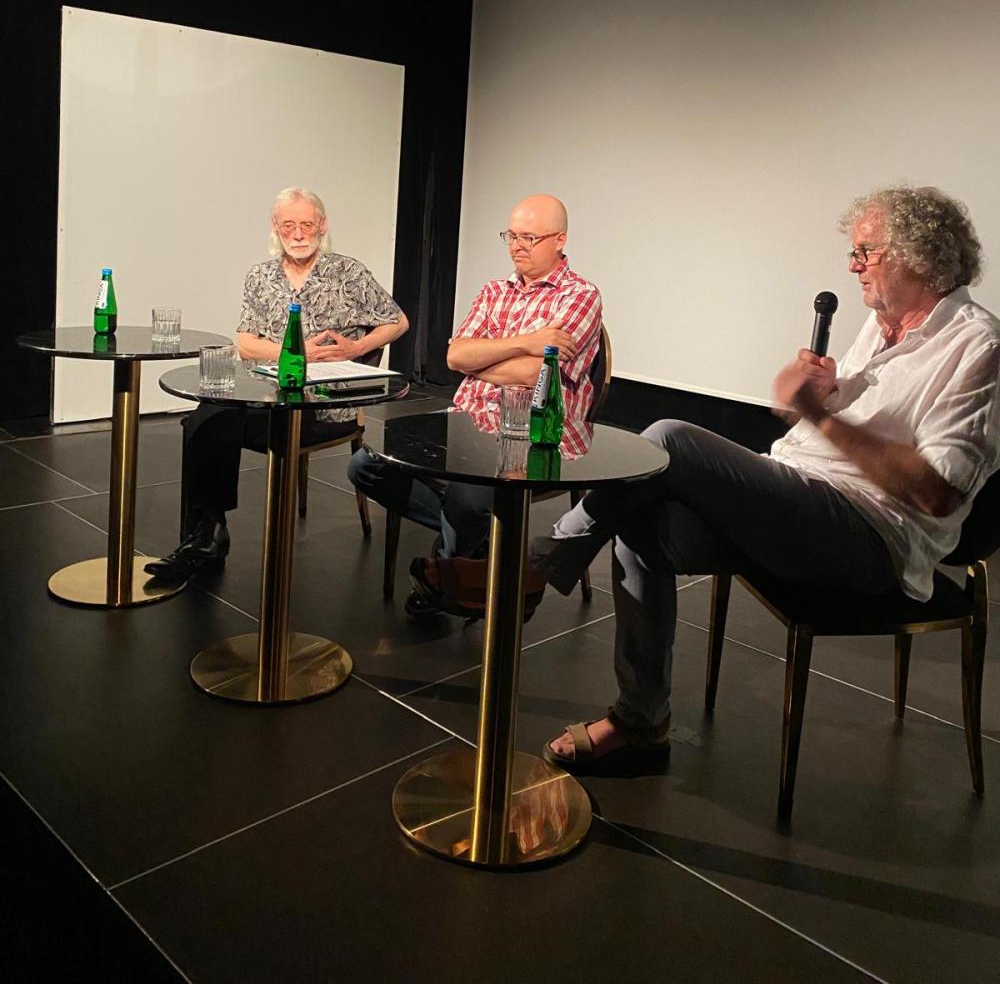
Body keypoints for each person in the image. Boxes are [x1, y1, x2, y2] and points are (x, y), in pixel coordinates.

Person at [430, 185, 1000, 768]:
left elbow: (938, 492)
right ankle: (642, 721)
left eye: (865, 252)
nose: (853, 265)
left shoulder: (978, 345)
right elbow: (838, 430)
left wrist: (822, 415)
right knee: (642, 521)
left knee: (670, 437)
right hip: (798, 494)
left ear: (918, 255)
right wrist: (824, 399)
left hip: (869, 536)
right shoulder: (880, 326)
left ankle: (537, 564)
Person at [348, 193, 602, 615]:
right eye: (511, 236)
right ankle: (483, 544)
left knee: (468, 498)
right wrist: (527, 341)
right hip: (465, 421)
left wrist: (483, 361)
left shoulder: (579, 296)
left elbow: (535, 374)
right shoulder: (493, 291)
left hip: (531, 432)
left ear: (560, 240)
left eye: (530, 238)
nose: (517, 246)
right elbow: (455, 357)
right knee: (366, 465)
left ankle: (447, 572)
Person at [145, 187, 408, 580]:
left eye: (306, 225)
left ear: (322, 225)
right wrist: (292, 352)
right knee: (207, 416)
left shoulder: (348, 273)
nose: (298, 234)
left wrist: (357, 347)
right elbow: (245, 343)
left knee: (211, 421)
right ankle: (207, 533)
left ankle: (203, 539)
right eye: (289, 226)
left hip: (322, 404)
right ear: (275, 227)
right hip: (265, 397)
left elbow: (398, 321)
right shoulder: (260, 276)